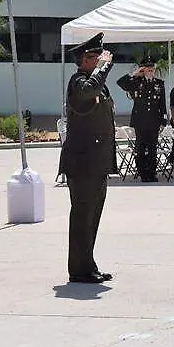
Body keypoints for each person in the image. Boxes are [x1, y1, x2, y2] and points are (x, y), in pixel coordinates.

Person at [59, 33, 116, 283]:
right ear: (85, 59)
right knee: (83, 216)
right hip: (82, 163)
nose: (102, 61)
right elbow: (89, 90)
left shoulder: (97, 83)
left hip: (97, 162)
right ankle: (79, 269)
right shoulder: (78, 82)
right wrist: (103, 68)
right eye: (97, 57)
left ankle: (88, 264)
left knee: (92, 216)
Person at [116, 57, 167, 183]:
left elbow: (162, 104)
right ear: (143, 70)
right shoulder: (136, 82)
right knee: (140, 148)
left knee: (152, 149)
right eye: (147, 69)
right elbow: (120, 83)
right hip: (140, 121)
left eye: (152, 69)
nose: (150, 71)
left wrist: (163, 121)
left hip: (154, 121)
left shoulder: (159, 83)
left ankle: (151, 173)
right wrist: (134, 73)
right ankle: (142, 172)